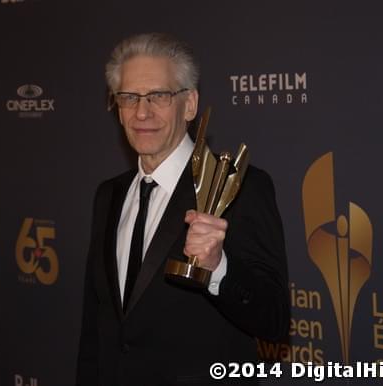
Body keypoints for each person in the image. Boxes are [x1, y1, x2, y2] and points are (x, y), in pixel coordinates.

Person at [76, 33, 289, 386]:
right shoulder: (108, 195)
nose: (141, 112)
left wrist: (219, 269)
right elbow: (94, 329)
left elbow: (275, 321)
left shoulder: (240, 188)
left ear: (189, 104)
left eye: (158, 96)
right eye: (128, 97)